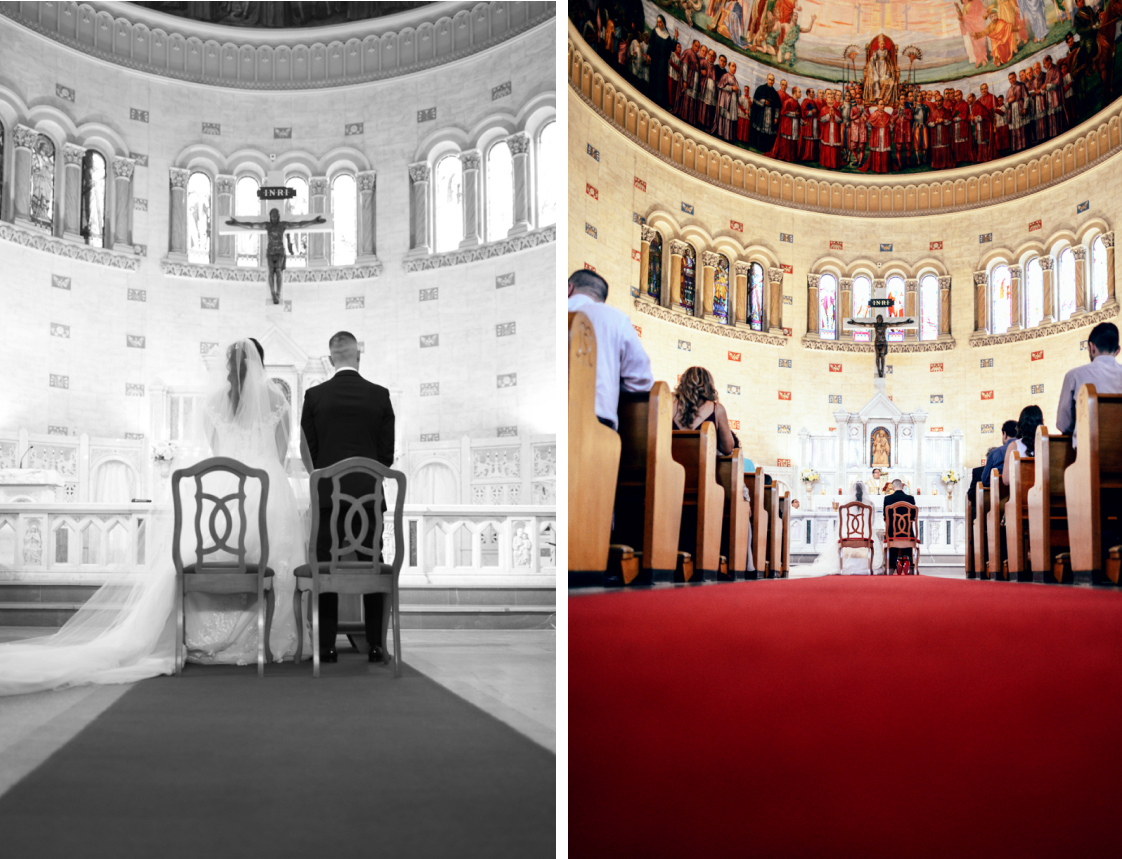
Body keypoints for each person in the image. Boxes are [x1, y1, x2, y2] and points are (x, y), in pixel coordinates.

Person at [0, 339, 310, 695]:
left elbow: (217, 453)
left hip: (220, 491)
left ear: (227, 366)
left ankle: (200, 634)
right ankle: (270, 638)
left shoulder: (212, 403)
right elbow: (281, 456)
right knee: (274, 555)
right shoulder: (279, 401)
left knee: (205, 551)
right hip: (269, 489)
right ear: (260, 364)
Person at [300, 331, 395, 664]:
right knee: (372, 565)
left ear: (330, 359)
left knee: (324, 566)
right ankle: (375, 645)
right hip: (369, 498)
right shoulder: (380, 395)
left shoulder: (314, 396)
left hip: (328, 498)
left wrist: (329, 478)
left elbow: (309, 453)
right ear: (358, 355)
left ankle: (326, 646)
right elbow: (386, 457)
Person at [567, 269, 653, 431]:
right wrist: (611, 389)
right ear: (601, 298)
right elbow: (641, 380)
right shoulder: (616, 319)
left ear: (569, 288)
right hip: (598, 422)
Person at [1057, 322, 1122, 447]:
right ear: (1118, 350)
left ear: (1092, 347)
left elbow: (1063, 424)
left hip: (1088, 451)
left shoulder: (1074, 376)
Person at [800, 481, 884, 575]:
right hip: (865, 534)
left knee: (839, 540)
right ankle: (868, 566)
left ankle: (842, 566)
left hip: (848, 533)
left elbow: (842, 521)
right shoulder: (870, 504)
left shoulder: (845, 503)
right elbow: (871, 522)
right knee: (873, 538)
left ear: (852, 490)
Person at [671, 367, 736, 456]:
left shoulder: (670, 406)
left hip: (671, 464)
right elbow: (728, 448)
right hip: (703, 464)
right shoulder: (717, 409)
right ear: (709, 385)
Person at [883, 479, 917, 574]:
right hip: (907, 533)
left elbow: (885, 516)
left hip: (892, 533)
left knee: (891, 532)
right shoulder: (910, 498)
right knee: (907, 533)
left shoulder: (887, 499)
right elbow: (913, 516)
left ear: (892, 488)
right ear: (902, 486)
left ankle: (893, 563)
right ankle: (907, 559)